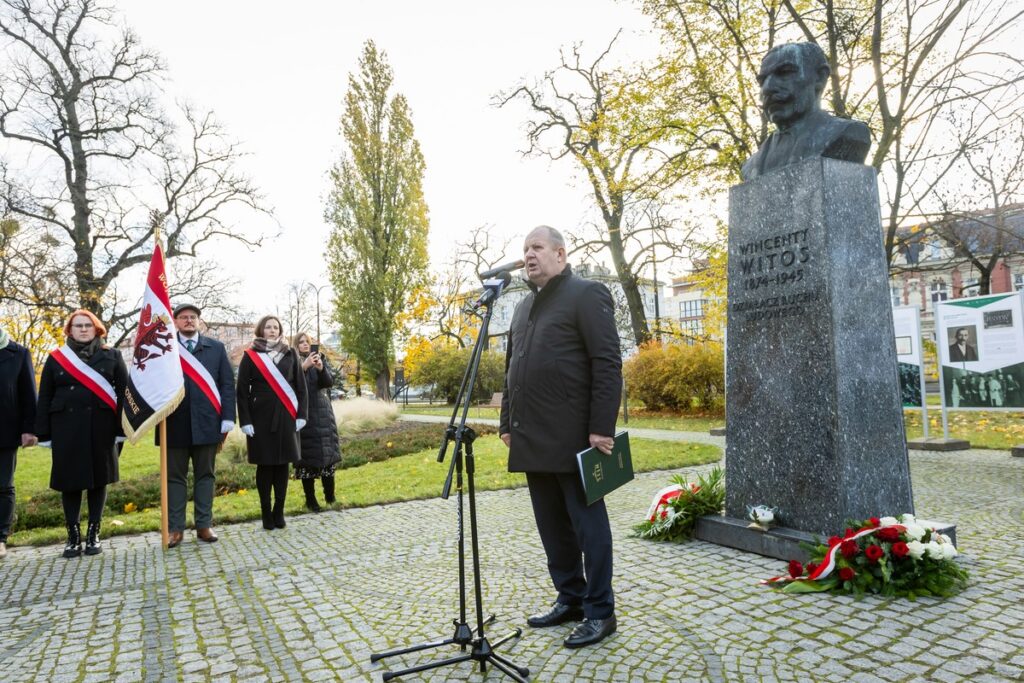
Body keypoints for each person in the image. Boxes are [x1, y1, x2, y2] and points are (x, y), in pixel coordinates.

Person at [499, 225, 622, 649]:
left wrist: (601, 427)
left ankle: (600, 610)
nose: (528, 255)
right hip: (532, 437)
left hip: (575, 438)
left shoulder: (586, 294)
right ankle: (570, 596)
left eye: (536, 247)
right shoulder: (520, 310)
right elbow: (511, 370)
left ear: (560, 254)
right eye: (524, 249)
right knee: (552, 526)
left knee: (588, 527)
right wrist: (505, 423)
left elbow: (607, 362)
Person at [36, 310, 127, 558]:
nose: (83, 329)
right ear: (70, 330)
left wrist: (122, 430)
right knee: (70, 483)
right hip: (66, 428)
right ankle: (73, 536)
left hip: (102, 428)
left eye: (88, 325)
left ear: (97, 329)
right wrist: (43, 433)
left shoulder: (113, 356)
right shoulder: (56, 359)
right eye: (78, 326)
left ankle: (93, 533)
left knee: (99, 480)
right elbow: (44, 398)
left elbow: (124, 395)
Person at [741, 42, 872, 181]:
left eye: (784, 72)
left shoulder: (850, 134)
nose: (767, 88)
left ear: (820, 77)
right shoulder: (749, 166)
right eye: (762, 81)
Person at [163, 303, 236, 548]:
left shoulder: (216, 348)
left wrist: (228, 417)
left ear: (199, 321)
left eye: (193, 317)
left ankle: (204, 524)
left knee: (205, 475)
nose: (188, 321)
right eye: (183, 317)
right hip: (174, 423)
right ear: (175, 321)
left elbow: (227, 384)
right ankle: (175, 529)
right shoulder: (165, 349)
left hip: (207, 423)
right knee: (175, 478)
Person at [236, 315, 308, 530]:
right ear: (261, 330)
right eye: (268, 327)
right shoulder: (250, 356)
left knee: (283, 465)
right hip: (260, 418)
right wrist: (245, 420)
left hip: (287, 416)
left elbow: (301, 387)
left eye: (276, 327)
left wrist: (302, 415)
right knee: (265, 465)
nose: (272, 330)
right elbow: (241, 392)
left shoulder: (291, 353)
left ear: (280, 330)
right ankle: (266, 512)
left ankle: (279, 510)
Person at [0, 326, 38, 559]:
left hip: (5, 429)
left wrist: (29, 429)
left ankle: (0, 538)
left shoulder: (18, 353)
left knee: (3, 484)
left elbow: (28, 394)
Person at [293, 332, 341, 512]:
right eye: (301, 342)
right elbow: (293, 385)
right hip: (304, 413)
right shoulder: (293, 362)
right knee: (306, 458)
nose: (305, 345)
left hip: (322, 411)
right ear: (296, 345)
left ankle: (330, 496)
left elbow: (328, 383)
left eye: (307, 342)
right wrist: (303, 368)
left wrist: (321, 368)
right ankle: (311, 500)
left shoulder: (319, 358)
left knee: (327, 455)